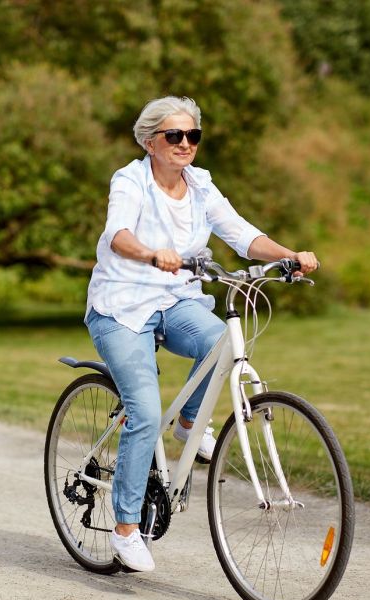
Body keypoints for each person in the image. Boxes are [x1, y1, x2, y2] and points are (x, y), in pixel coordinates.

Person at [85, 96, 318, 572]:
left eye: (193, 135)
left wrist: (288, 254)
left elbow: (240, 234)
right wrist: (152, 254)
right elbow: (116, 234)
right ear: (151, 141)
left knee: (223, 344)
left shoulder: (201, 185)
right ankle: (126, 529)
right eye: (175, 136)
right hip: (122, 308)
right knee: (145, 413)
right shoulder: (130, 181)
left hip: (177, 301)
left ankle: (190, 423)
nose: (186, 144)